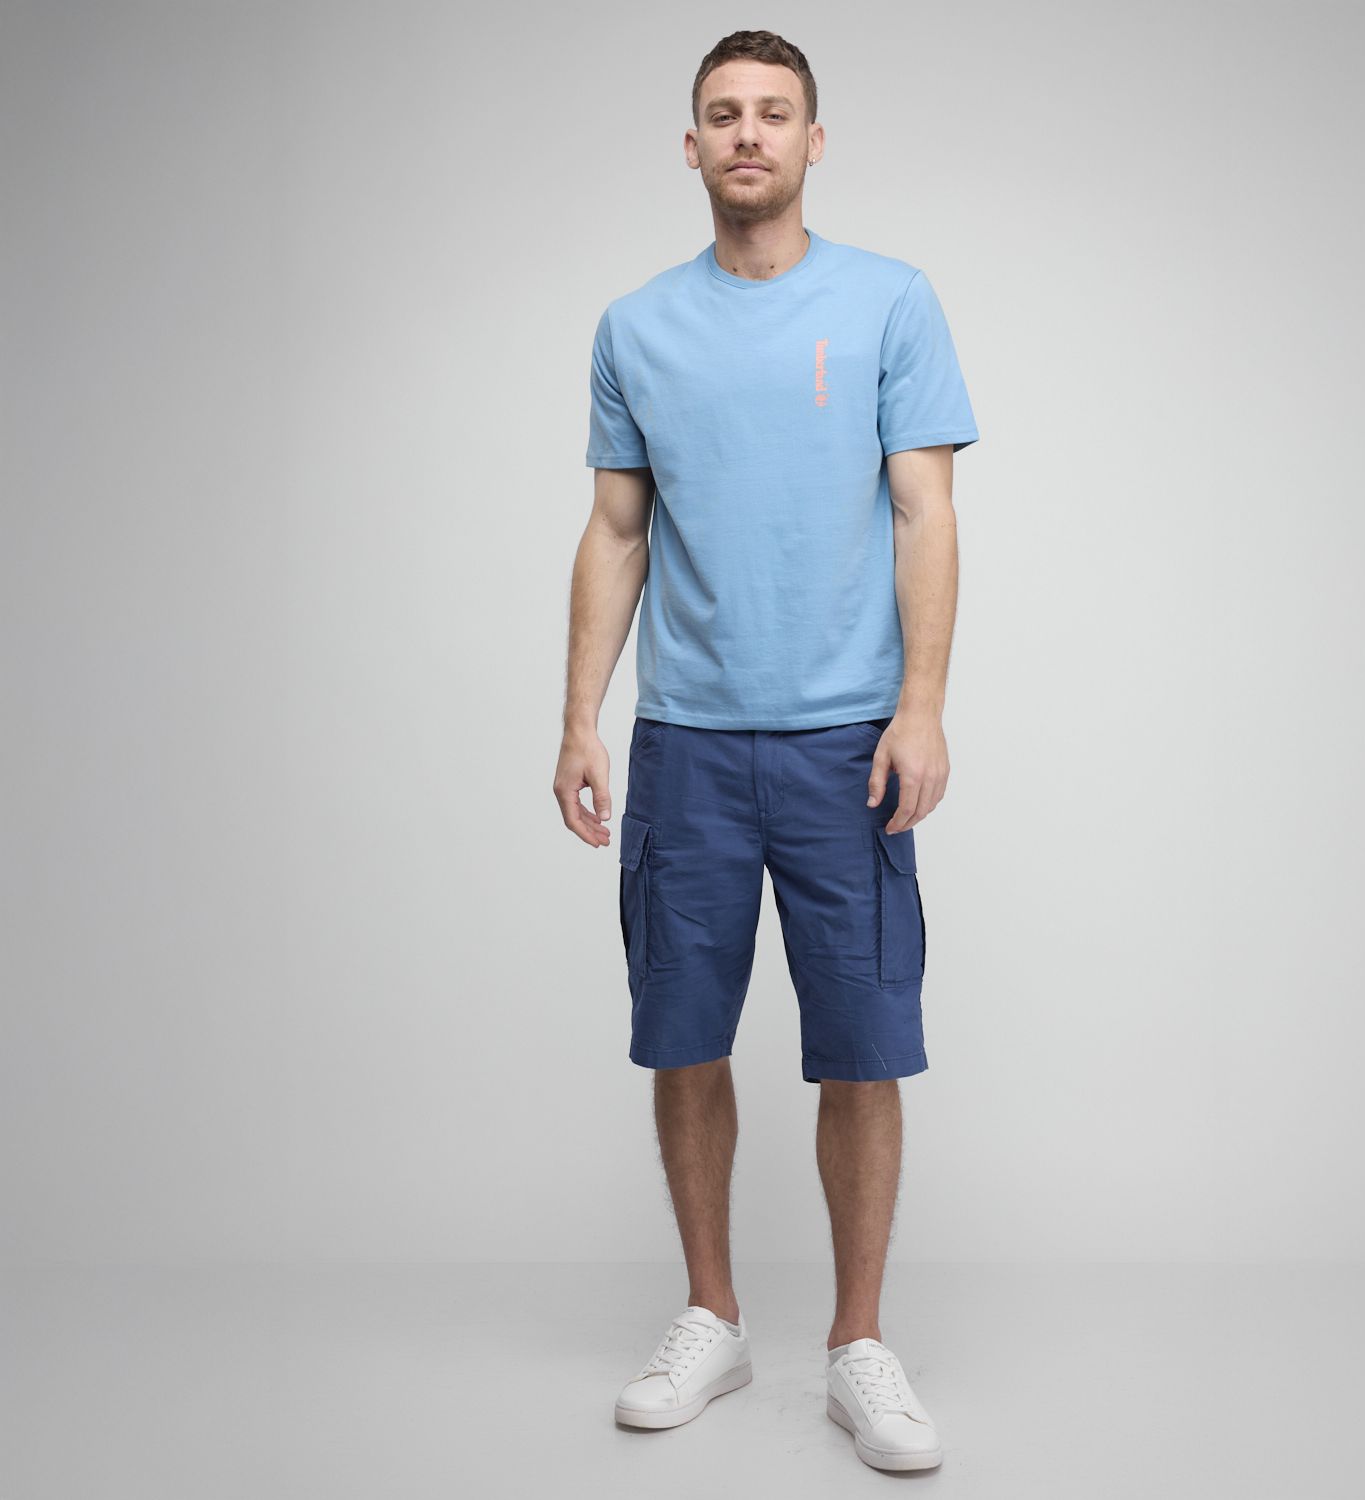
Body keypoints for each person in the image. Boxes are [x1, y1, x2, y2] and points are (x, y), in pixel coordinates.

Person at [553, 29, 977, 1473]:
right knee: (686, 1034)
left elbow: (925, 509)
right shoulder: (635, 327)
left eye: (774, 113)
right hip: (685, 740)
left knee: (862, 1042)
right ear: (692, 147)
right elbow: (616, 530)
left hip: (847, 741)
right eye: (724, 114)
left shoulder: (889, 302)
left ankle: (859, 1344)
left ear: (813, 140)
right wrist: (580, 717)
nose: (749, 134)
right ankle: (713, 1317)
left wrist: (922, 705)